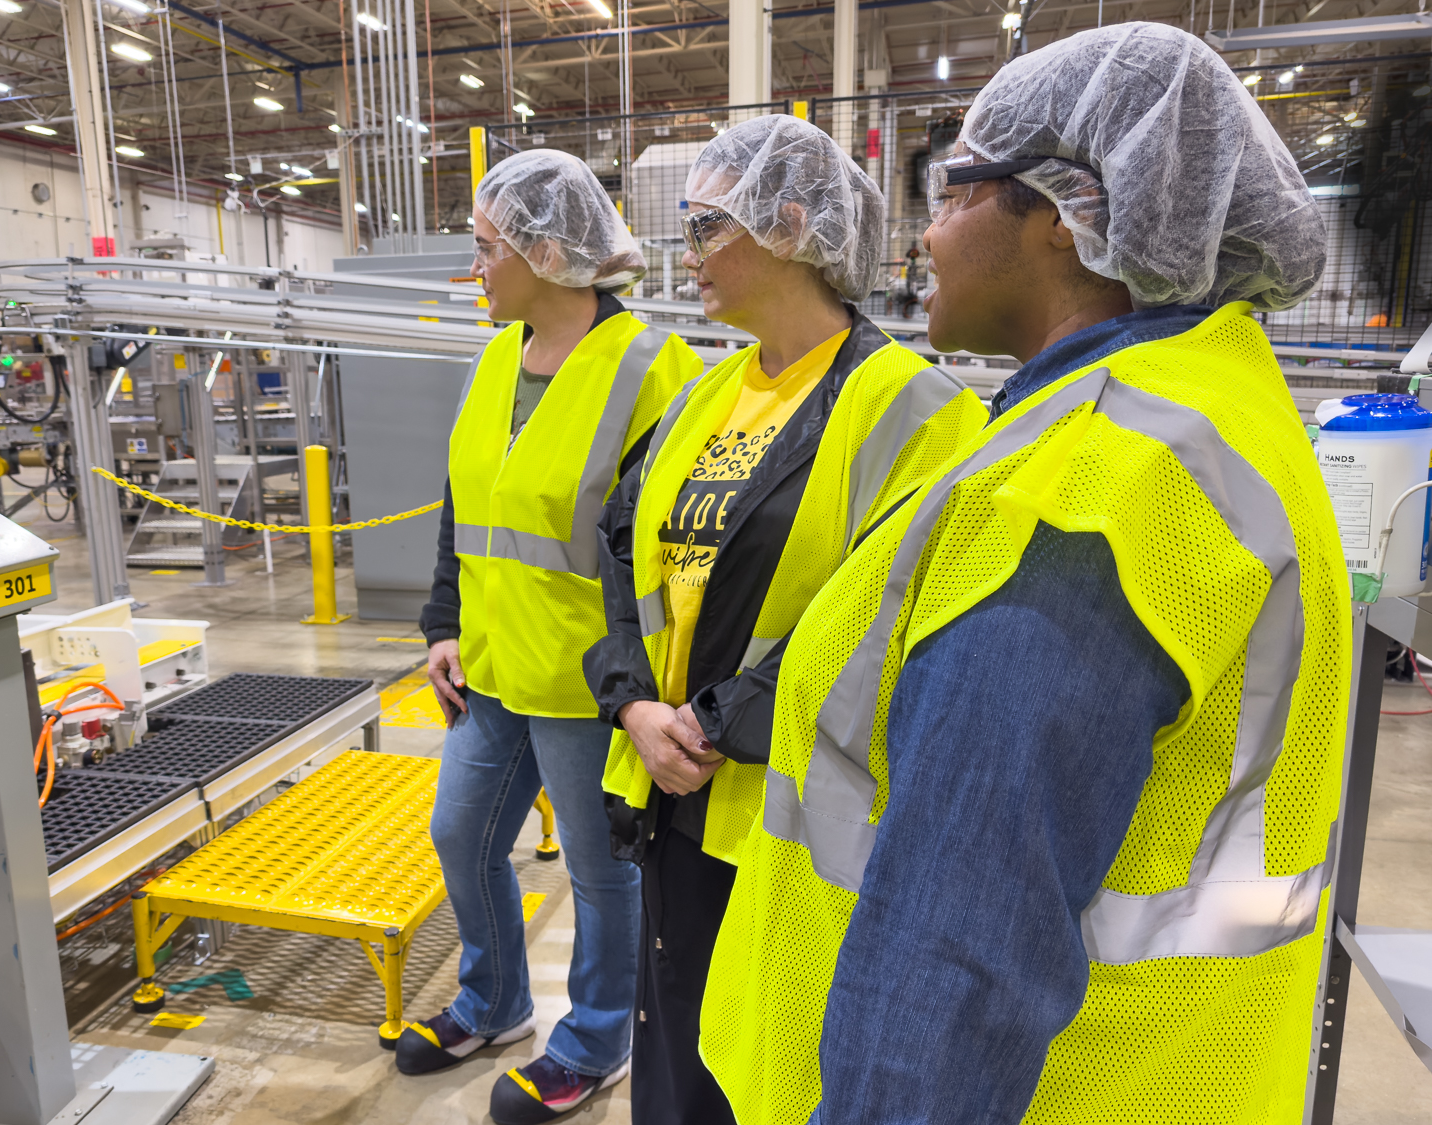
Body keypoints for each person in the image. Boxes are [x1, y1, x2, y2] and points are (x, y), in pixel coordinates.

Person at [700, 24, 1345, 1125]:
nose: (926, 236)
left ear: (1063, 212)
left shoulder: (1089, 490)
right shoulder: (1212, 405)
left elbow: (954, 967)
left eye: (952, 193)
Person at [582, 114, 986, 1125]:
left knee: (760, 1070)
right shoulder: (708, 390)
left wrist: (718, 722)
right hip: (670, 795)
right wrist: (633, 705)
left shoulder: (912, 407)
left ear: (791, 225)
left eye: (708, 229)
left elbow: (885, 618)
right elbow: (627, 554)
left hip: (785, 815)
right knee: (672, 1053)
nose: (689, 257)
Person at [403, 149, 703, 1125]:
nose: (475, 268)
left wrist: (643, 687)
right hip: (491, 667)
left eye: (486, 249)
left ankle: (596, 1039)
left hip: (590, 684)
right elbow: (467, 502)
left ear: (545, 250)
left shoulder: (656, 374)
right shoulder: (497, 355)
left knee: (600, 871)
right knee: (462, 834)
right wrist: (445, 622)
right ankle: (493, 1004)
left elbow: (664, 548)